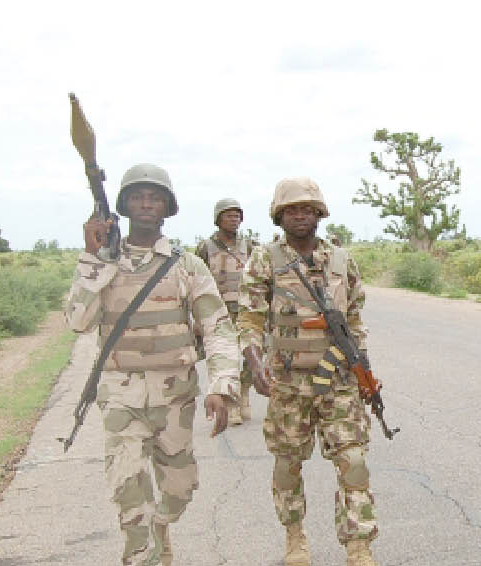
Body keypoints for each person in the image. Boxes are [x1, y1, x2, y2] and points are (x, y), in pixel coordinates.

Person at [65, 163, 241, 566]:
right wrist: (93, 258)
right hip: (120, 396)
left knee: (180, 490)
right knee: (128, 488)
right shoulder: (103, 263)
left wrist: (222, 385)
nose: (146, 204)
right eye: (138, 197)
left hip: (175, 396)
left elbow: (217, 328)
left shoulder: (186, 266)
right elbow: (77, 322)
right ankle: (141, 553)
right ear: (124, 206)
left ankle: (162, 526)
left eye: (155, 197)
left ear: (167, 208)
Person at [236, 177, 378, 566]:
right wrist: (253, 361)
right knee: (287, 464)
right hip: (288, 382)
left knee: (354, 462)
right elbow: (249, 317)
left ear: (319, 214)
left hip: (339, 382)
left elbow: (354, 319)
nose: (300, 215)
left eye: (307, 209)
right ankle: (294, 537)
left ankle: (358, 547)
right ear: (280, 216)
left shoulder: (341, 259)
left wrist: (364, 369)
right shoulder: (265, 260)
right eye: (292, 209)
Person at [196, 198, 258, 425]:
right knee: (225, 359)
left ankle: (243, 392)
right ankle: (231, 405)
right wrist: (196, 318)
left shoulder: (249, 246)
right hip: (217, 313)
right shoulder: (205, 247)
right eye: (228, 215)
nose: (233, 220)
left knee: (253, 356)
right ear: (218, 219)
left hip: (246, 310)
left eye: (237, 215)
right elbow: (195, 281)